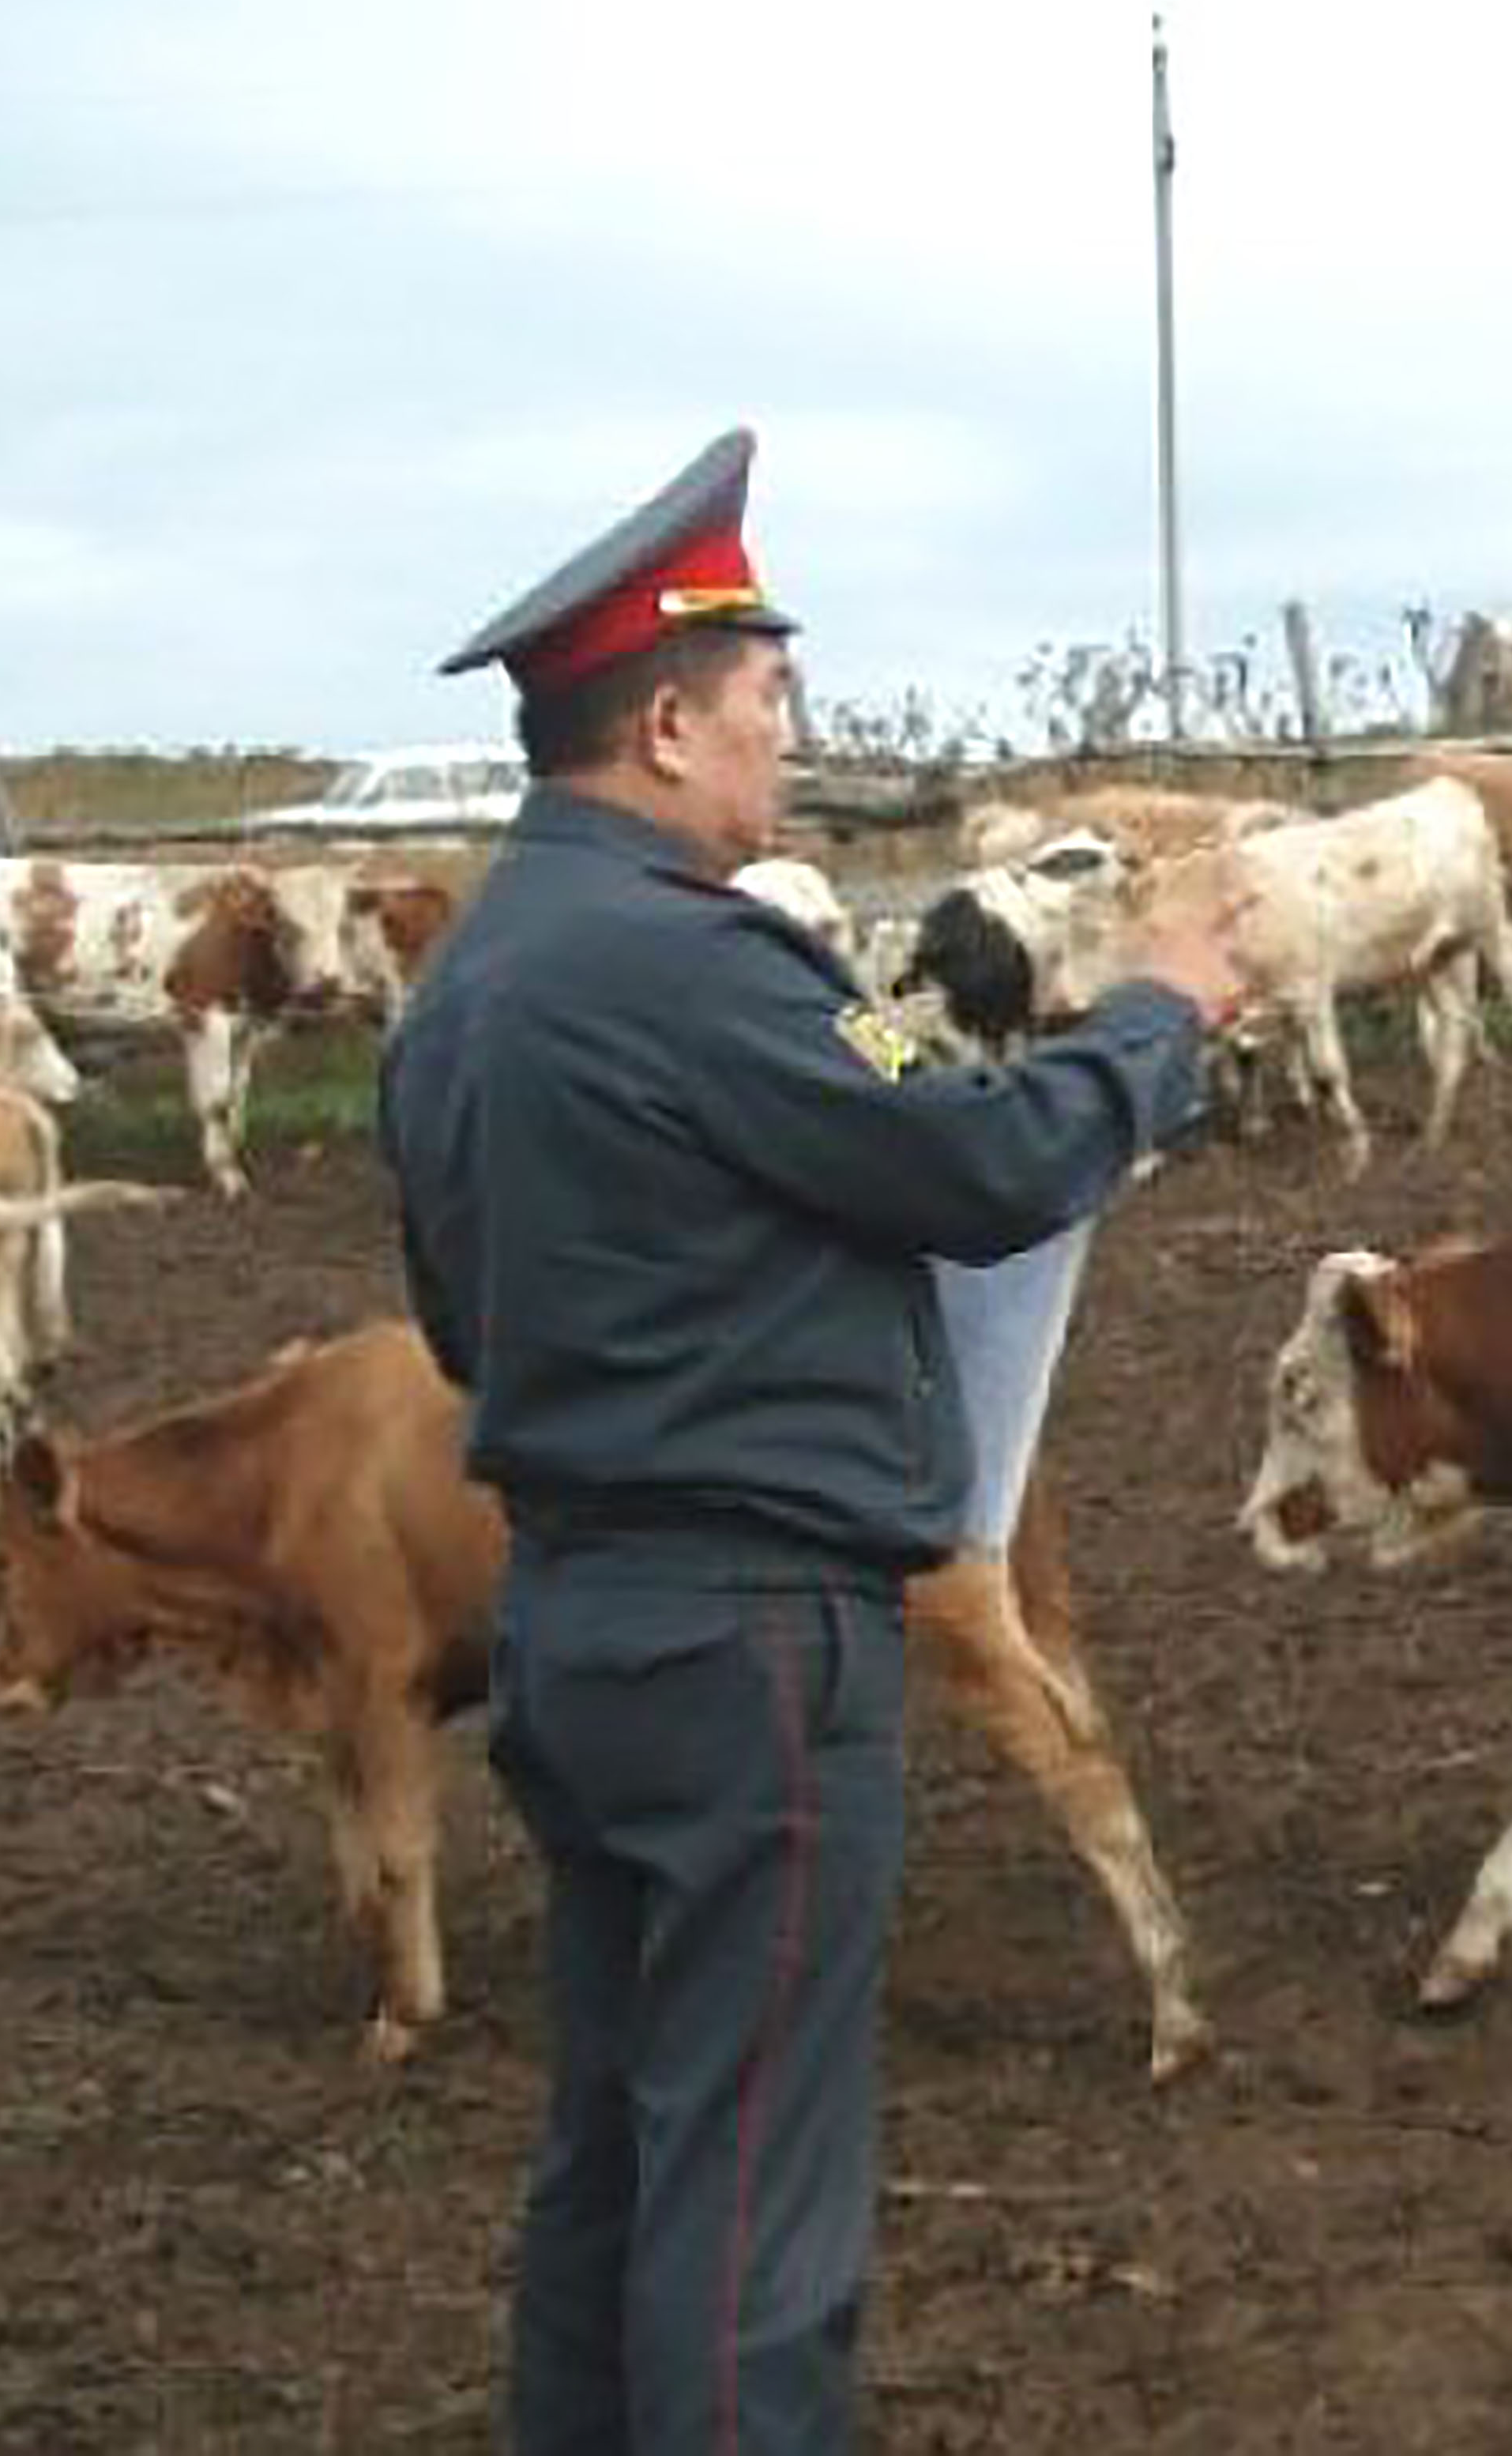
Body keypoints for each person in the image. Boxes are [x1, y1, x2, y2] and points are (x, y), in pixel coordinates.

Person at [378, 428, 1249, 2456]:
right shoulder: (697, 971)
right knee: (755, 2188)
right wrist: (1160, 1018)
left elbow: (454, 1320)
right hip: (753, 1641)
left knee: (617, 2139)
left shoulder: (464, 994)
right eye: (767, 701)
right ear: (668, 725)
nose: (785, 738)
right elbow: (969, 1156)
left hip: (575, 1620)